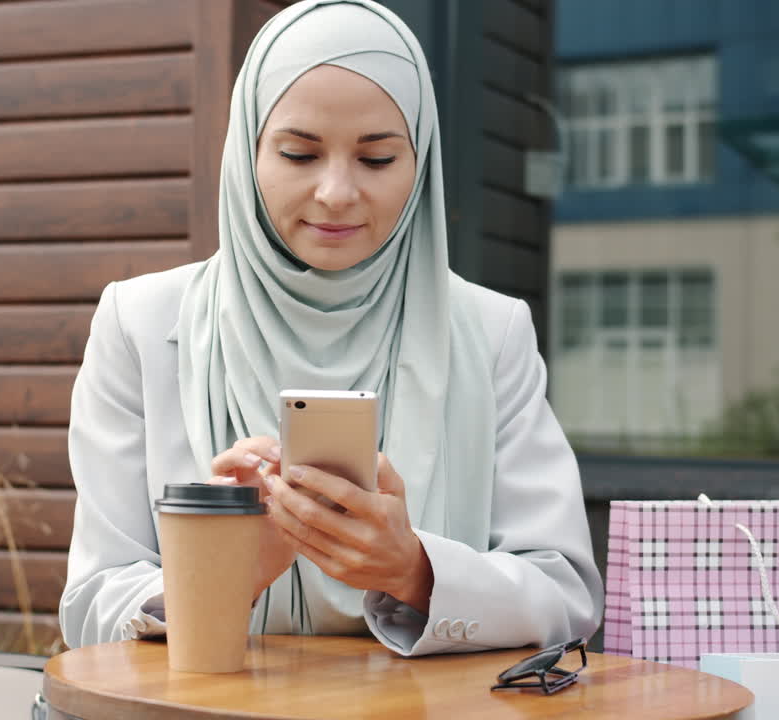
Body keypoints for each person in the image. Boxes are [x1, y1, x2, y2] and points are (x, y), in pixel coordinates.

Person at [60, 0, 603, 657]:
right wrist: (223, 571)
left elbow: (566, 595)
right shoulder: (140, 325)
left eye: (376, 160)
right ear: (248, 153)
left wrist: (414, 570)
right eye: (298, 153)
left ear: (420, 162)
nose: (337, 192)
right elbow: (91, 606)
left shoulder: (492, 334)